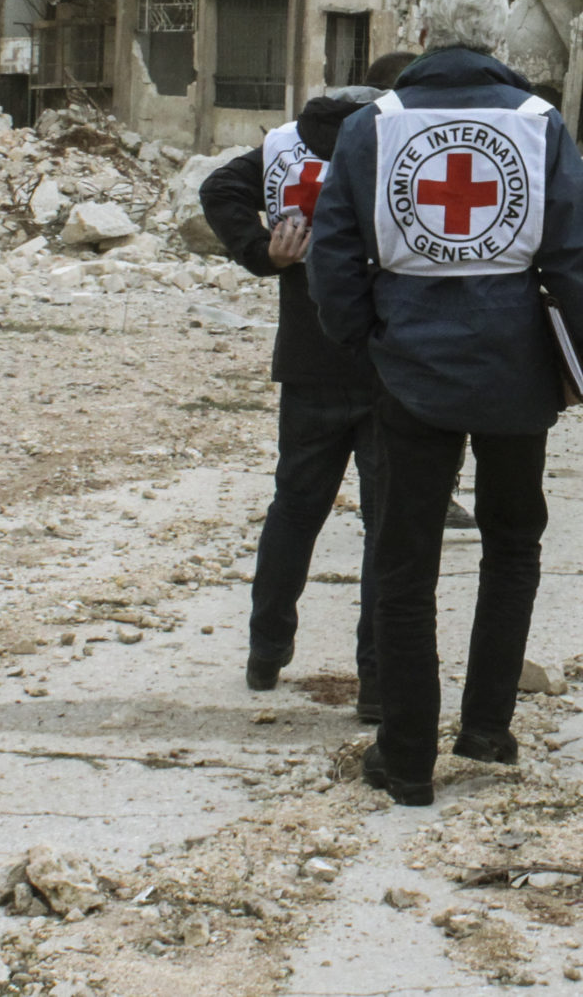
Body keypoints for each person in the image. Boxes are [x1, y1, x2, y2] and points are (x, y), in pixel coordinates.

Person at [307, 0, 583, 806]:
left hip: (410, 373)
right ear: (499, 33)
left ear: (423, 28)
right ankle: (486, 726)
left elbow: (332, 255)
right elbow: (580, 259)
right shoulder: (540, 122)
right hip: (518, 375)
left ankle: (406, 757)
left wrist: (368, 335)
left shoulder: (379, 124)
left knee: (405, 562)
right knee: (513, 545)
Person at [199, 72, 393, 716]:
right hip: (388, 362)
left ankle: (265, 651)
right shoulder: (397, 139)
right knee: (386, 527)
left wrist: (263, 252)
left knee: (294, 509)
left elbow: (218, 187)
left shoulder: (285, 143)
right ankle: (376, 679)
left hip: (309, 359)